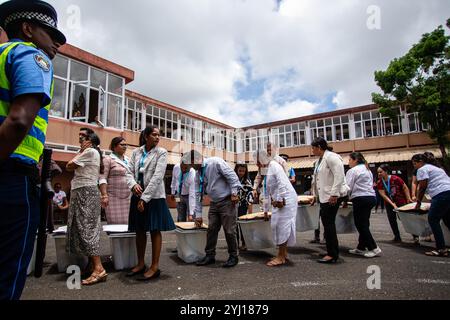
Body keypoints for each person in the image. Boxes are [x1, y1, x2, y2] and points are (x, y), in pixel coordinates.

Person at [0, 0, 66, 300]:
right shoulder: (29, 55)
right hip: (11, 175)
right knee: (8, 272)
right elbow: (19, 120)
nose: (56, 44)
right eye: (50, 34)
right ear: (27, 29)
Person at [126, 126, 176, 281]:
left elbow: (158, 176)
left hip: (153, 197)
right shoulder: (136, 152)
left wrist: (144, 198)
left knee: (155, 230)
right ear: (146, 136)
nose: (157, 137)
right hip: (137, 195)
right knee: (139, 230)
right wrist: (133, 185)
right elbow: (128, 172)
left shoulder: (161, 152)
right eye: (154, 134)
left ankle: (154, 267)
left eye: (158, 135)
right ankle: (141, 264)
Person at [182, 150, 242, 268]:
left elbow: (232, 176)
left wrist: (234, 193)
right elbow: (198, 193)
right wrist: (198, 215)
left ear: (196, 160)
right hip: (214, 203)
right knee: (212, 230)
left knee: (229, 230)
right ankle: (210, 255)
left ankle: (233, 256)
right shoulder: (198, 173)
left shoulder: (215, 162)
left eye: (191, 163)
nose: (190, 166)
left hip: (227, 201)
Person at [66, 132, 108, 286]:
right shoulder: (90, 152)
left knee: (87, 229)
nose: (80, 142)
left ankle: (99, 268)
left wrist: (78, 155)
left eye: (82, 139)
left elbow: (69, 166)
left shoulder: (90, 151)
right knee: (83, 227)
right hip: (82, 190)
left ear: (90, 141)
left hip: (85, 191)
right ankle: (92, 265)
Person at [255, 150, 297, 266]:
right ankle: (283, 253)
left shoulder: (274, 166)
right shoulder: (267, 169)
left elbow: (282, 182)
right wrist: (265, 210)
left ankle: (281, 256)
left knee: (281, 225)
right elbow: (266, 191)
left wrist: (280, 199)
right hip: (280, 199)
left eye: (258, 162)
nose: (257, 165)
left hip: (286, 199)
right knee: (277, 224)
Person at [310, 137, 349, 264]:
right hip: (324, 196)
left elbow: (339, 176)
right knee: (327, 224)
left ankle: (332, 254)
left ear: (319, 147)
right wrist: (315, 196)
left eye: (313, 148)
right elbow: (317, 181)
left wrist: (334, 194)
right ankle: (331, 252)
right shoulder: (319, 161)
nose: (312, 150)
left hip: (331, 196)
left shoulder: (332, 157)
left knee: (329, 224)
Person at [412, 153, 450, 257]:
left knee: (433, 219)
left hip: (440, 194)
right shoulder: (437, 168)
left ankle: (441, 248)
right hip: (448, 192)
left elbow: (423, 187)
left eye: (415, 164)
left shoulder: (422, 169)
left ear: (420, 162)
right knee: (447, 219)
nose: (414, 166)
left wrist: (418, 202)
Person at [345, 152, 381, 258]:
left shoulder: (353, 171)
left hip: (360, 198)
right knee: (364, 223)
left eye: (349, 160)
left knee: (361, 225)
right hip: (371, 198)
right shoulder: (367, 169)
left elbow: (348, 187)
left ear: (355, 160)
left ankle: (374, 248)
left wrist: (342, 199)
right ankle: (361, 247)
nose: (348, 162)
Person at [377, 164, 414, 243]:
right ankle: (397, 237)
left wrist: (408, 198)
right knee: (392, 220)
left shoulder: (395, 178)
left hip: (401, 202)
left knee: (405, 219)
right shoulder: (380, 182)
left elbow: (405, 187)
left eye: (380, 172)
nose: (379, 174)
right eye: (378, 173)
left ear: (386, 172)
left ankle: (415, 236)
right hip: (389, 204)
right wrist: (392, 204)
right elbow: (383, 195)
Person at [99, 137, 132, 225]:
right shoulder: (107, 159)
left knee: (129, 224)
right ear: (114, 146)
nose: (125, 146)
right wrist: (104, 195)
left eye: (125, 145)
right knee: (116, 225)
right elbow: (102, 178)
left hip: (129, 197)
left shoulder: (128, 160)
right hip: (113, 197)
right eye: (122, 145)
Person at [170, 156, 197, 222]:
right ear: (180, 164)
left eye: (186, 168)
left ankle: (191, 229)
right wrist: (173, 192)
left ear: (190, 166)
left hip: (189, 196)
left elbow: (192, 194)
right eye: (182, 167)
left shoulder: (193, 174)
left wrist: (191, 213)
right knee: (180, 215)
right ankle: (181, 229)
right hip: (178, 195)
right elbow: (174, 179)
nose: (184, 170)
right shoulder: (176, 167)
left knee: (191, 217)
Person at [234, 163, 254, 251]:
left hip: (243, 206)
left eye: (243, 171)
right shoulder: (233, 179)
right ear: (236, 170)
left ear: (246, 172)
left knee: (242, 225)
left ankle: (244, 243)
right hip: (233, 206)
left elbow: (250, 195)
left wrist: (250, 210)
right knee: (234, 225)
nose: (241, 173)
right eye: (240, 171)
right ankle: (235, 243)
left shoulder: (247, 181)